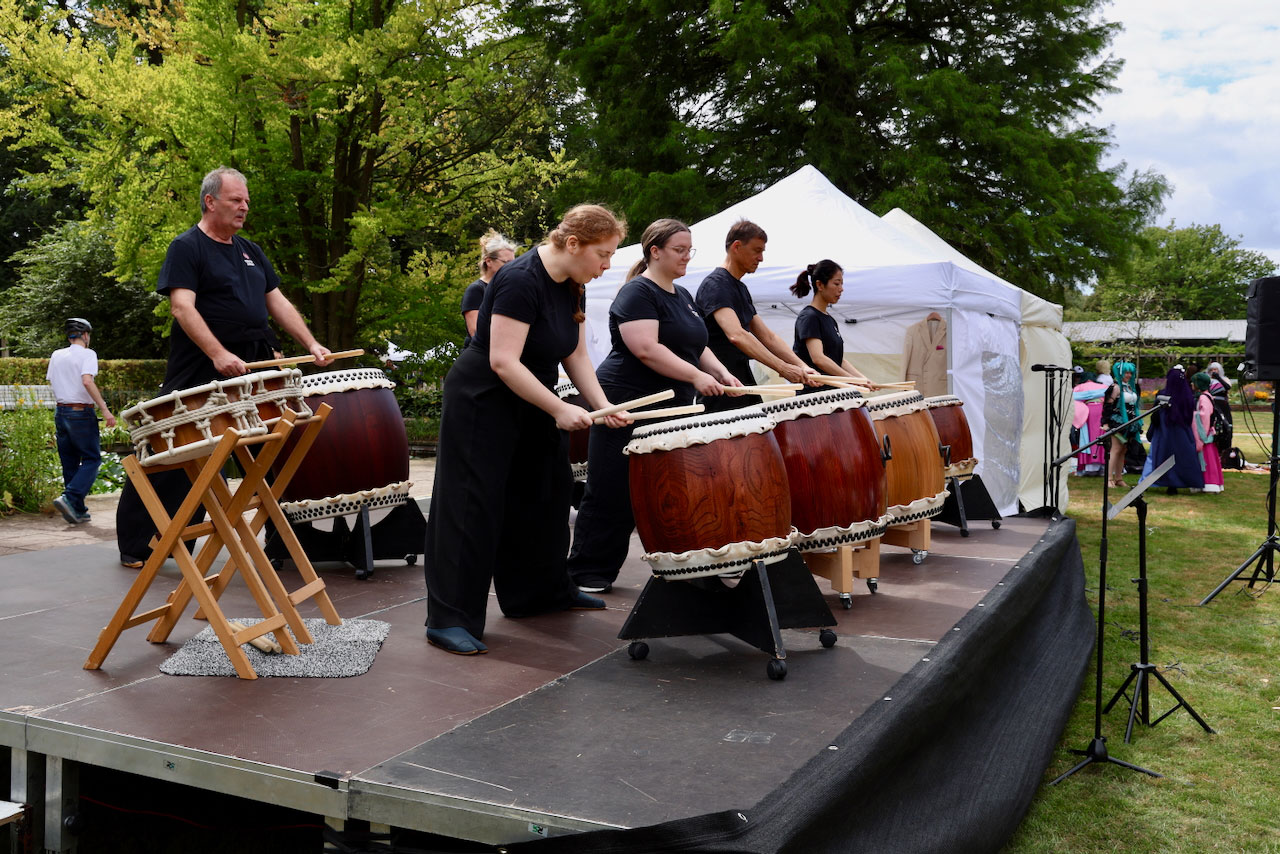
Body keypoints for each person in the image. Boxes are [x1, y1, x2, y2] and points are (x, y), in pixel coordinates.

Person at [423, 204, 631, 655]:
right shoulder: (519, 279)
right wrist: (559, 407)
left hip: (532, 393)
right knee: (472, 507)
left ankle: (538, 593)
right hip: (485, 398)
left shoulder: (574, 284)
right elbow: (502, 361)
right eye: (604, 254)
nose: (608, 265)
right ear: (573, 244)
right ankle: (449, 618)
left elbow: (573, 353)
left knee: (546, 492)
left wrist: (602, 405)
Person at [115, 166, 333, 568]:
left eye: (246, 201)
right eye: (236, 200)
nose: (244, 207)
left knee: (271, 446)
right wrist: (217, 353)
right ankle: (140, 542)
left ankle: (282, 542)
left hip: (252, 363)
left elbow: (277, 302)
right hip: (200, 364)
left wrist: (311, 342)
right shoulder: (187, 247)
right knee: (176, 453)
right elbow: (182, 306)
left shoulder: (251, 250)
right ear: (210, 201)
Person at [566, 219, 741, 594]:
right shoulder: (637, 294)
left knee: (666, 487)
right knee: (611, 488)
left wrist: (723, 374)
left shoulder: (683, 295)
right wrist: (695, 377)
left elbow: (697, 344)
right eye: (679, 250)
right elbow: (646, 348)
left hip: (672, 406)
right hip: (625, 399)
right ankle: (587, 571)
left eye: (689, 250)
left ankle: (687, 563)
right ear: (655, 251)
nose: (686, 257)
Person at [695, 220, 817, 411]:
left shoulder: (740, 288)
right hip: (720, 384)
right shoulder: (716, 285)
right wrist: (783, 368)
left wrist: (802, 366)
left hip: (740, 379)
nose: (760, 258)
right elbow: (737, 335)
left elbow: (768, 336)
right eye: (756, 250)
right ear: (736, 247)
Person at [46, 317, 117, 524]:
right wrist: (105, 409)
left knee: (69, 463)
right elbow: (87, 381)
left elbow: (54, 381)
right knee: (92, 459)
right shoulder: (88, 354)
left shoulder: (57, 355)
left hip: (61, 412)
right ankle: (70, 497)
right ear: (85, 334)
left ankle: (76, 509)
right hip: (81, 413)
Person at [789, 259, 874, 390]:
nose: (841, 289)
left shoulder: (830, 319)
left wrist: (863, 379)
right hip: (813, 395)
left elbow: (839, 360)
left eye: (841, 284)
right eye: (836, 284)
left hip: (831, 393)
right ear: (820, 285)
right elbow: (819, 358)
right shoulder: (809, 317)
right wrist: (852, 380)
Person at [1141, 365, 1203, 493]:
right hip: (1182, 432)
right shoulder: (1187, 395)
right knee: (1182, 457)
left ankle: (1153, 482)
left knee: (1161, 457)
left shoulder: (1163, 394)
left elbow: (1155, 413)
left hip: (1164, 432)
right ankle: (1177, 484)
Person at [460, 230, 517, 348]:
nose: (512, 267)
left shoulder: (511, 290)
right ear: (489, 261)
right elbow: (475, 332)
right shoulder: (476, 290)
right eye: (507, 262)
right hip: (479, 358)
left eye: (514, 263)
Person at [1102, 360, 1140, 487]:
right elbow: (1107, 406)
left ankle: (1118, 478)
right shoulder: (1115, 387)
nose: (1128, 375)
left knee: (1123, 450)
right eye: (1126, 372)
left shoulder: (1129, 387)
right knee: (1115, 449)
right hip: (1117, 422)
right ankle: (1108, 479)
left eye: (1130, 373)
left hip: (1130, 422)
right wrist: (1106, 422)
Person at [1192, 372, 1225, 493]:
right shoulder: (1208, 396)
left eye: (1193, 382)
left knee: (1206, 462)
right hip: (1209, 433)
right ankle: (1211, 484)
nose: (1191, 384)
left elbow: (1204, 417)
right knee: (1211, 461)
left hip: (1205, 435)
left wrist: (1201, 436)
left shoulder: (1203, 398)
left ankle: (1208, 484)